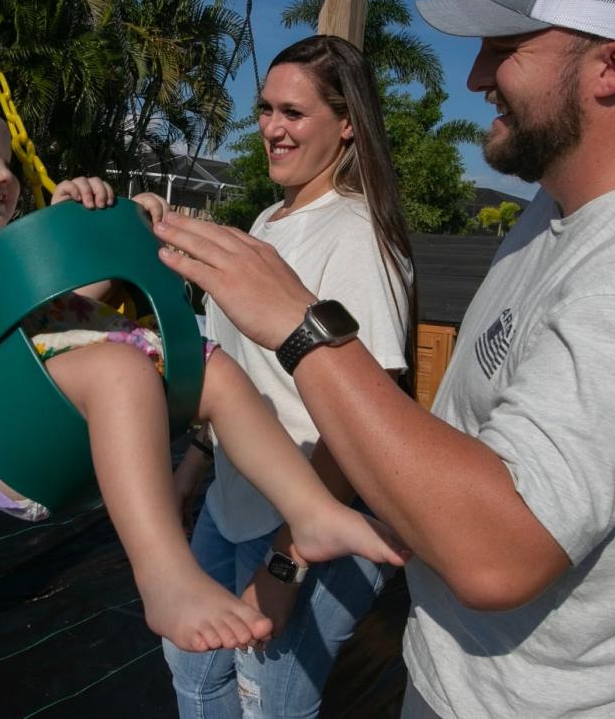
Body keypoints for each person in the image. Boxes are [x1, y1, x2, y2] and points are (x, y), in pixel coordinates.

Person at [153, 0, 615, 718]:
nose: (475, 76)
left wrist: (303, 326)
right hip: (469, 683)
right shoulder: (565, 206)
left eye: (506, 49)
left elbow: (496, 555)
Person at [0, 76, 409, 656]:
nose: (5, 176)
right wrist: (56, 236)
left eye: (6, 160)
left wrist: (103, 229)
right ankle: (163, 575)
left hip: (65, 398)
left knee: (213, 370)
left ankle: (310, 511)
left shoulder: (0, 247)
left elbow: (76, 297)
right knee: (120, 369)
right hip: (0, 438)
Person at [163, 35, 417, 718]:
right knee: (194, 670)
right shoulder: (267, 222)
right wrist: (195, 467)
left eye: (294, 113)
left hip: (306, 524)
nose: (272, 127)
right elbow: (236, 373)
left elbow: (366, 418)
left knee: (269, 703)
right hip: (232, 502)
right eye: (266, 109)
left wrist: (286, 561)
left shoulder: (358, 239)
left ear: (346, 125)